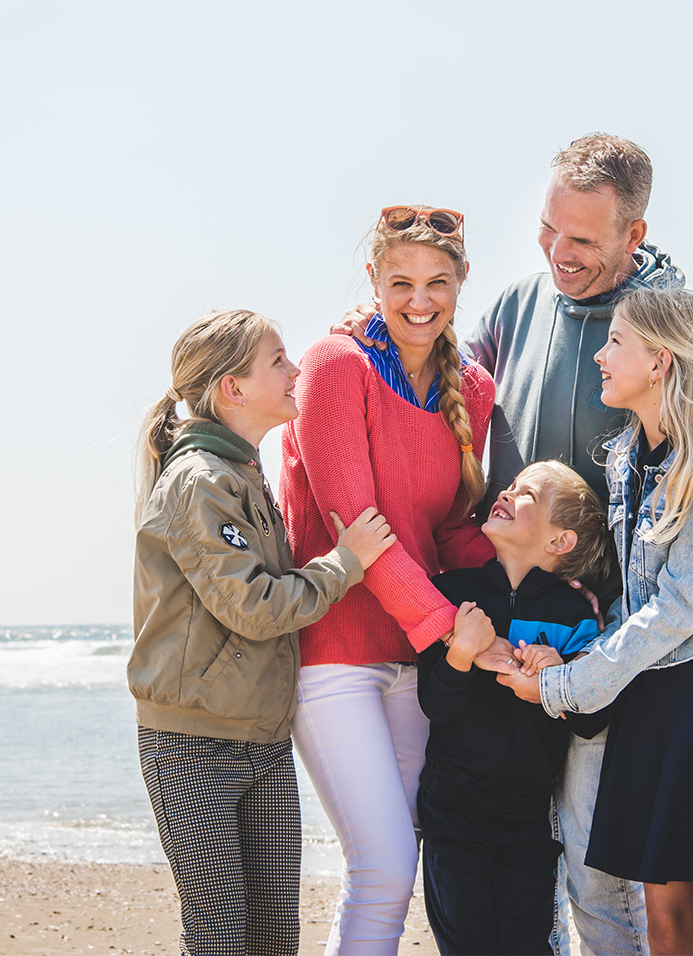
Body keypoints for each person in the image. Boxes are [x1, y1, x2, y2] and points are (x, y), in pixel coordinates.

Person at [337, 134, 693, 955]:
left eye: (583, 239)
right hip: (515, 637)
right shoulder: (516, 310)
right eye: (549, 229)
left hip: (620, 650)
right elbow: (435, 368)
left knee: (597, 867)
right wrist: (373, 334)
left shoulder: (662, 327)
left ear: (635, 234)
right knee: (516, 854)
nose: (559, 253)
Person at [500, 287, 693, 956]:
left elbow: (674, 609)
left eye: (615, 344)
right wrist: (566, 658)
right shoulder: (622, 458)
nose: (602, 358)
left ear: (661, 361)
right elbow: (632, 601)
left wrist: (567, 687)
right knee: (664, 925)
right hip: (652, 701)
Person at [129, 309, 398, 956]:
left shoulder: (243, 470)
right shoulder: (199, 482)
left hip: (264, 741)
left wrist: (376, 336)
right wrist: (346, 562)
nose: (296, 369)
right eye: (278, 359)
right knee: (222, 940)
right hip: (191, 745)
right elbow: (253, 604)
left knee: (275, 939)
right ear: (233, 388)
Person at [281, 207, 510, 956]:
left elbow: (446, 530)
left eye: (438, 282)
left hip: (415, 663)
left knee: (392, 871)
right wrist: (458, 633)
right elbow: (365, 531)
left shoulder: (470, 388)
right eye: (401, 281)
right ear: (373, 278)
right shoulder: (333, 364)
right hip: (335, 651)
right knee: (383, 866)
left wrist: (538, 572)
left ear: (461, 282)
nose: (420, 300)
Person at [415, 461, 621, 956]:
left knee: (528, 944)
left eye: (525, 492)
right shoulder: (453, 593)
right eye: (508, 485)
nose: (505, 493)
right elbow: (435, 706)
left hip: (528, 820)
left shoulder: (573, 617)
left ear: (559, 542)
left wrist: (560, 676)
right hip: (453, 813)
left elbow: (593, 719)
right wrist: (461, 653)